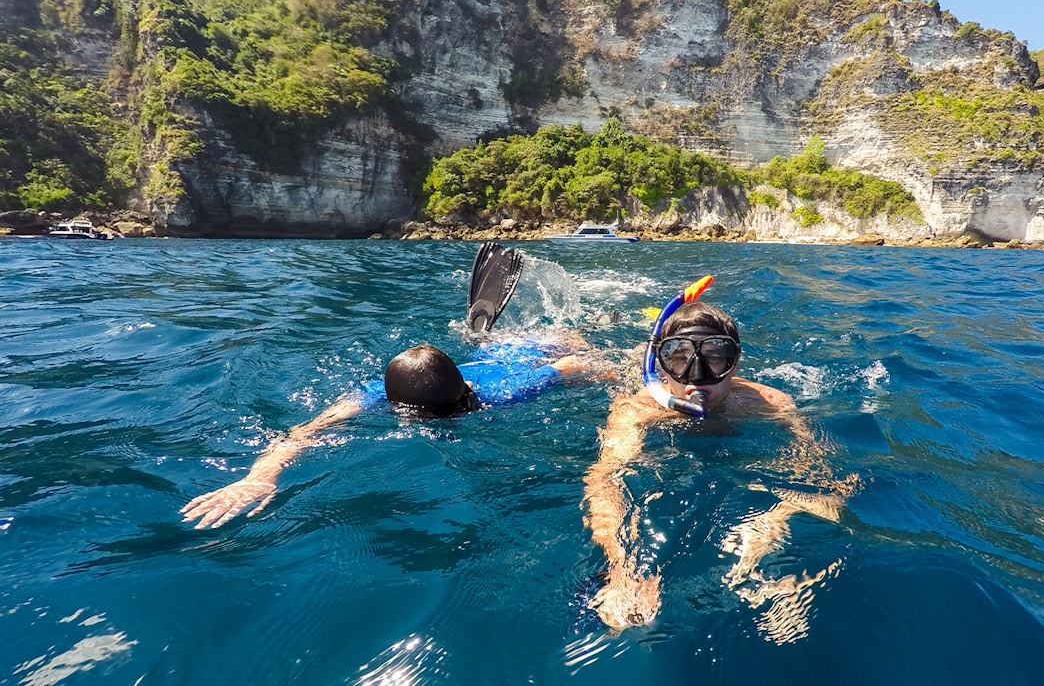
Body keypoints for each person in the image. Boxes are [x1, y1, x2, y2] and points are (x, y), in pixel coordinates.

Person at [182, 243, 601, 529]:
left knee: (562, 338)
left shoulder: (374, 395)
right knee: (564, 340)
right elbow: (579, 364)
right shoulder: (499, 394)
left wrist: (262, 476)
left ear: (391, 400)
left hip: (520, 353)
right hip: (508, 361)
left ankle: (497, 336)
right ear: (467, 386)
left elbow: (306, 432)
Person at [582, 277, 860, 639]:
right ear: (660, 366)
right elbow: (606, 478)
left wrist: (771, 525)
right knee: (590, 366)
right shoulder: (638, 410)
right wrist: (621, 567)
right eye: (678, 358)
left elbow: (825, 481)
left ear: (736, 362)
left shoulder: (769, 405)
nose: (698, 376)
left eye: (716, 358)